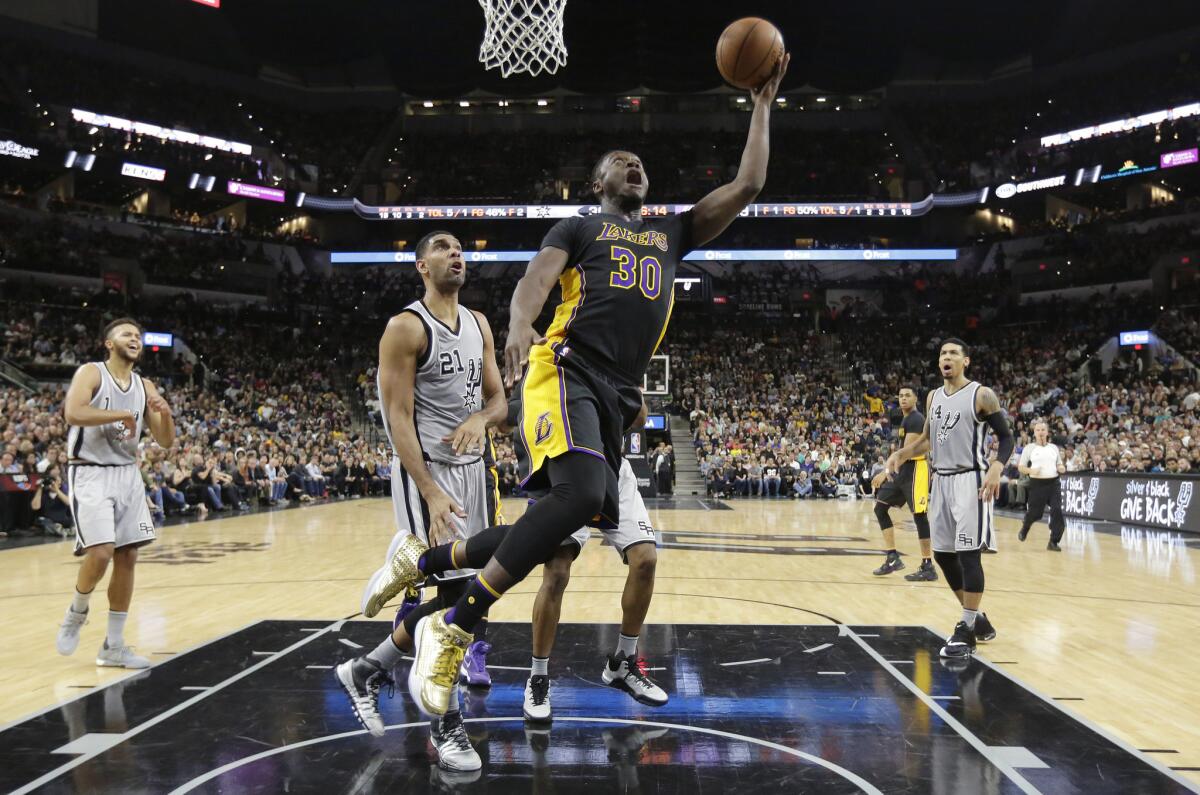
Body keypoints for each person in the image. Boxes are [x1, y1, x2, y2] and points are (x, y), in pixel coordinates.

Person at [374, 53, 792, 718]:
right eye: (618, 159)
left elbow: (748, 184)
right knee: (583, 497)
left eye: (639, 160)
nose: (632, 164)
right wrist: (518, 324)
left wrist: (763, 104)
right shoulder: (580, 226)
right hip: (564, 368)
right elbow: (536, 281)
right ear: (598, 181)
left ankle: (426, 564)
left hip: (619, 393)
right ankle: (454, 625)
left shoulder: (672, 231)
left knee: (562, 516)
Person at [336, 230, 506, 774]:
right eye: (442, 247)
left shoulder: (478, 323)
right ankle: (444, 723)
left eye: (460, 247)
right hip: (428, 476)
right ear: (421, 266)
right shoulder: (405, 328)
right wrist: (430, 492)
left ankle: (369, 667)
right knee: (458, 602)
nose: (456, 253)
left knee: (473, 600)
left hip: (475, 472)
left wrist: (481, 418)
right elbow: (396, 418)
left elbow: (500, 399)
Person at [516, 397, 666, 722]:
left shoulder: (616, 360)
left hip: (613, 468)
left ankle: (623, 663)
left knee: (646, 560)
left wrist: (622, 391)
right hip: (568, 469)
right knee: (556, 573)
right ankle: (538, 677)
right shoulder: (555, 355)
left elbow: (640, 418)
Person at [55, 318, 175, 668]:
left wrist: (165, 415)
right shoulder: (91, 373)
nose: (134, 339)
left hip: (127, 474)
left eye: (137, 335)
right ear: (109, 343)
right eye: (126, 334)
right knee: (102, 551)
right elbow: (72, 413)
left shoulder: (144, 384)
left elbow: (165, 440)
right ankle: (77, 611)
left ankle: (114, 645)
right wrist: (121, 412)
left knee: (128, 557)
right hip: (90, 472)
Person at [888, 339, 1010, 660]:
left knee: (969, 554)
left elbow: (1007, 437)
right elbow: (926, 441)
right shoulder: (933, 397)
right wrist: (901, 454)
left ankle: (966, 630)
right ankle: (976, 617)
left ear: (965, 361)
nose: (947, 357)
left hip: (971, 481)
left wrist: (997, 467)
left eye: (954, 353)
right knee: (943, 555)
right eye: (943, 353)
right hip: (939, 481)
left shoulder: (981, 395)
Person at [871, 386, 936, 581]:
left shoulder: (916, 419)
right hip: (903, 470)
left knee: (919, 516)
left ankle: (928, 565)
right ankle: (892, 557)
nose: (903, 398)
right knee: (880, 508)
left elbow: (907, 451)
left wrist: (885, 472)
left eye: (908, 395)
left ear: (916, 398)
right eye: (900, 396)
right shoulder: (905, 419)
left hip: (916, 469)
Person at [1017, 419, 1066, 550]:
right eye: (1038, 430)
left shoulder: (1053, 448)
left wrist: (1061, 467)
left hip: (1054, 483)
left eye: (1043, 430)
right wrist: (1031, 471)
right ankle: (1025, 527)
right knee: (1035, 513)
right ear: (1034, 433)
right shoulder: (1029, 448)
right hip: (1037, 484)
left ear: (1047, 432)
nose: (1041, 432)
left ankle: (1053, 541)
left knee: (1057, 511)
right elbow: (1021, 467)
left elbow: (1059, 463)